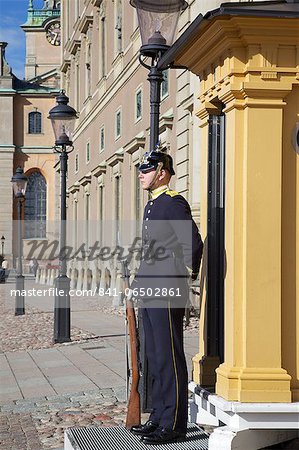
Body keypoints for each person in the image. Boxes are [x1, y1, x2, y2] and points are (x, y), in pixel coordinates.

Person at [130, 149, 203, 445]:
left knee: (169, 355)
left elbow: (193, 244)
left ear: (162, 171)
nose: (141, 175)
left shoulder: (173, 203)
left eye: (146, 170)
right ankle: (159, 417)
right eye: (140, 170)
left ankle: (173, 423)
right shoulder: (152, 205)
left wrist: (180, 277)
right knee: (155, 355)